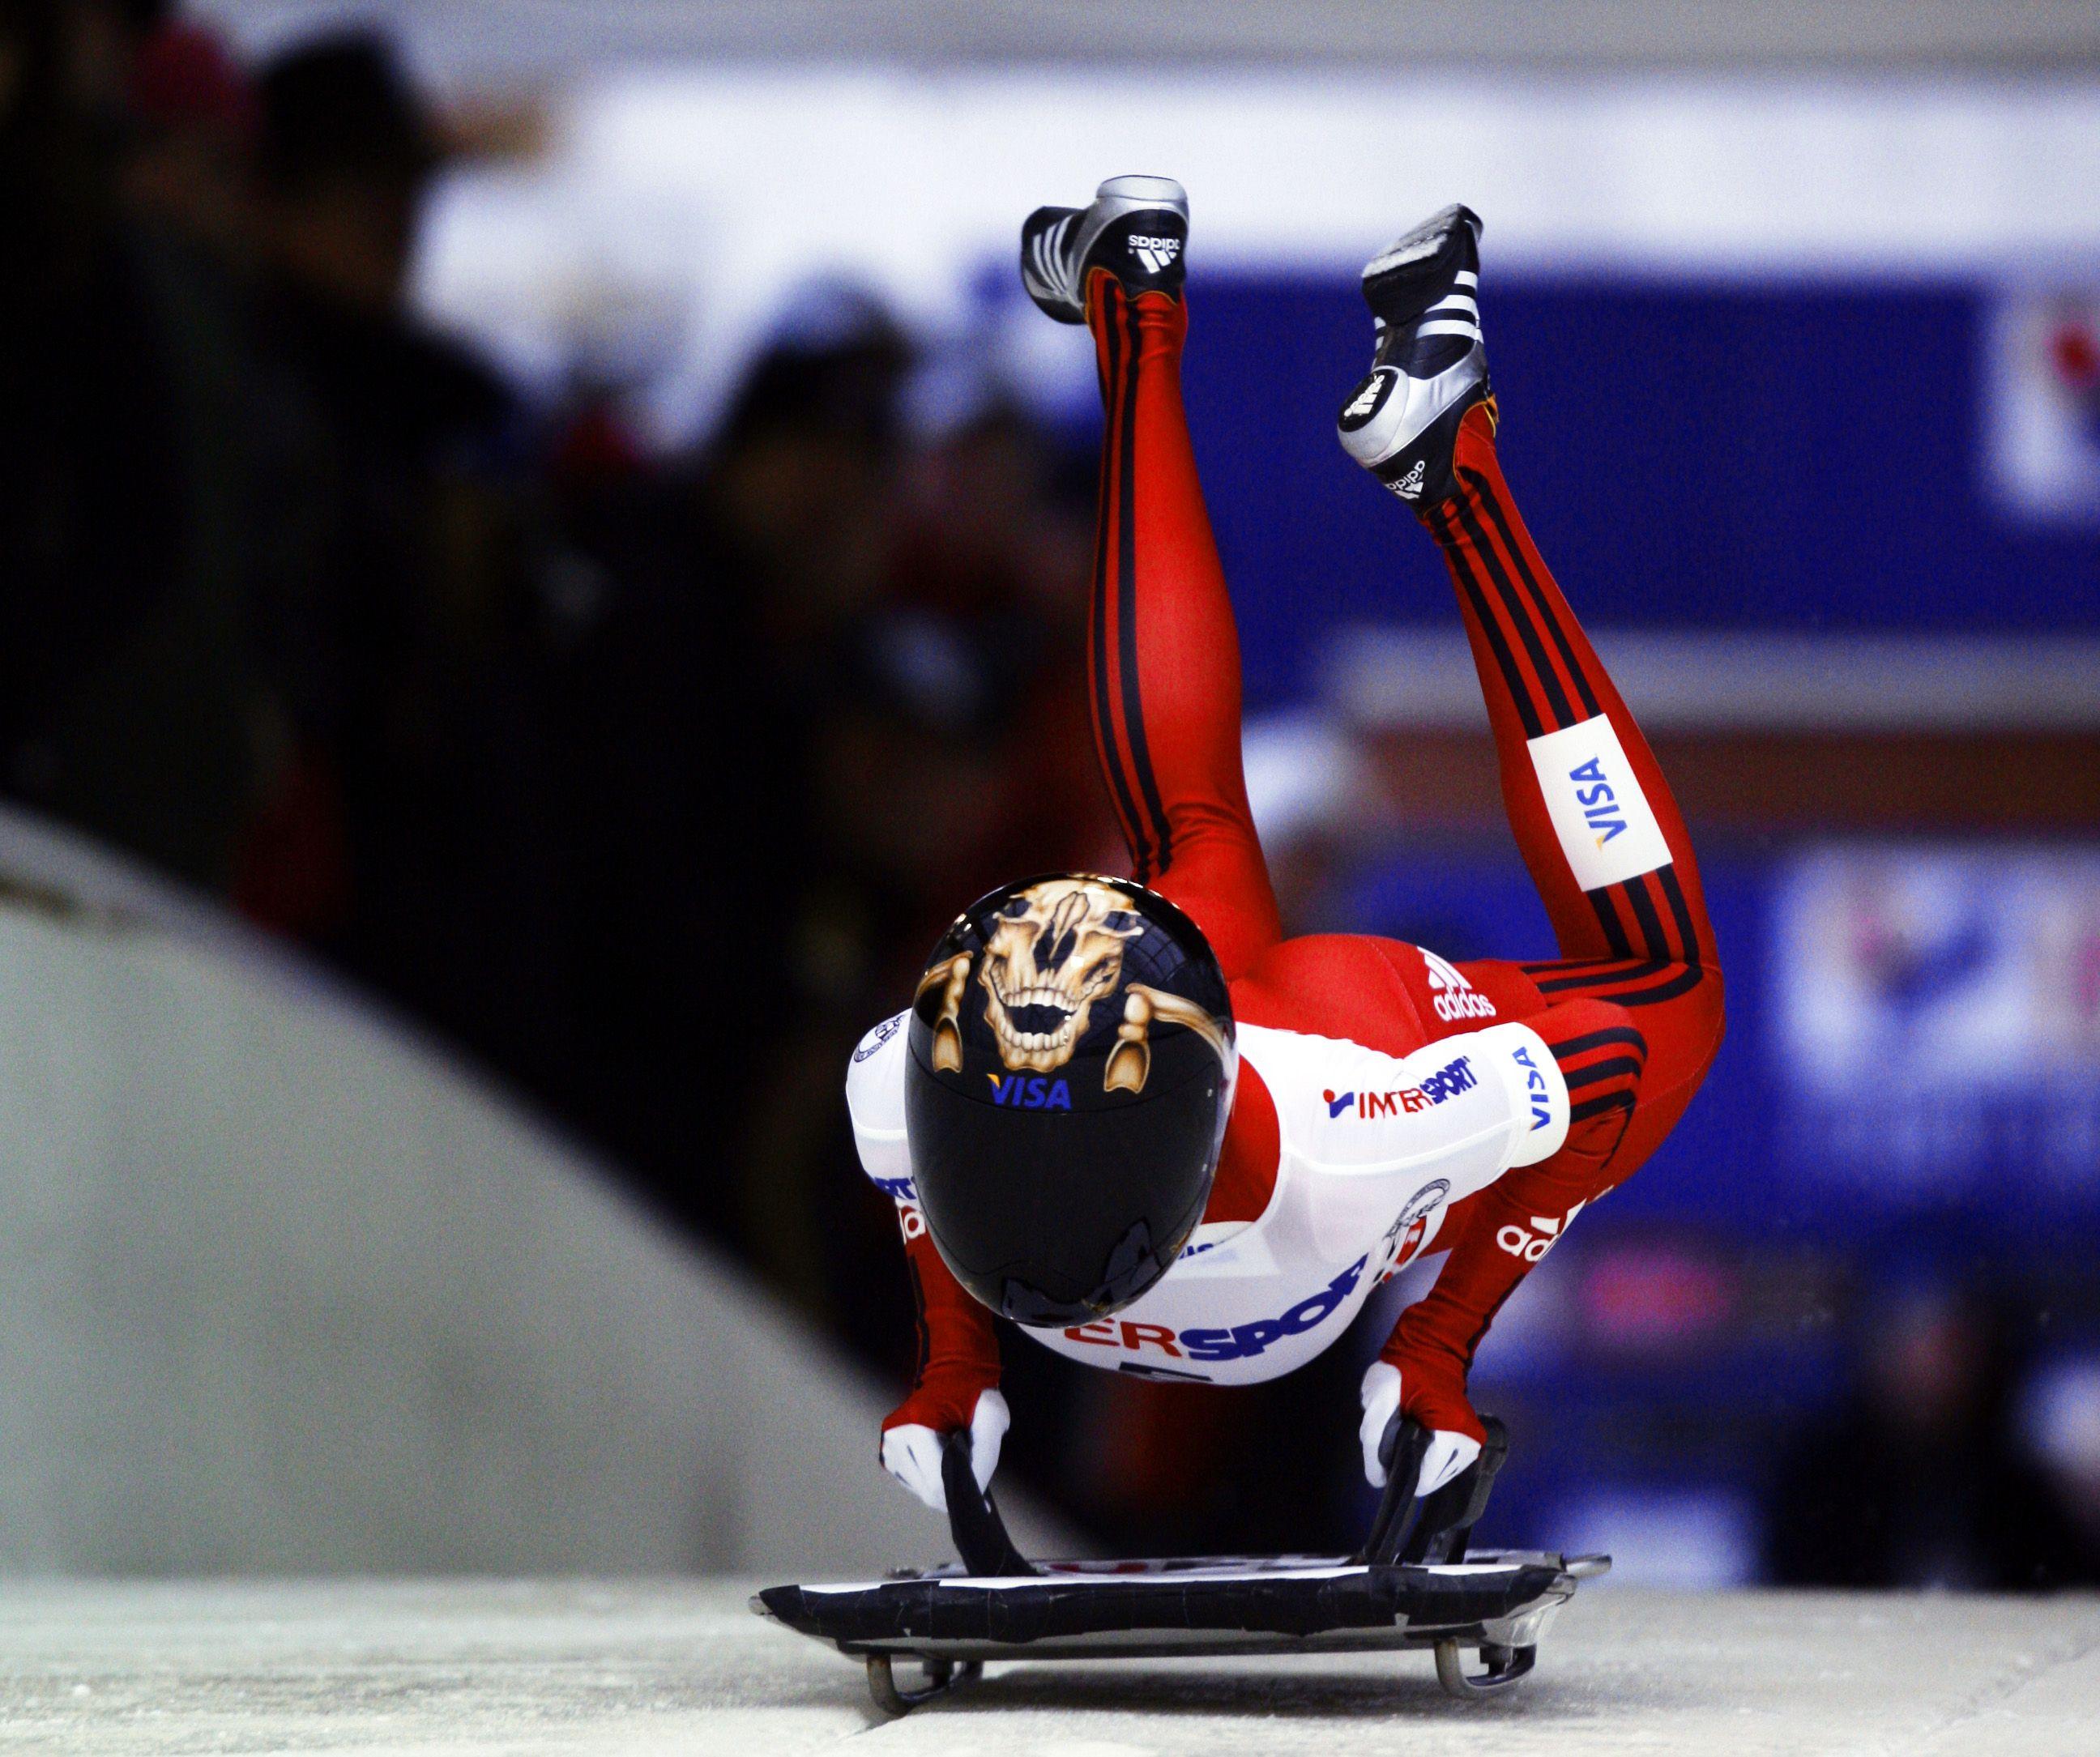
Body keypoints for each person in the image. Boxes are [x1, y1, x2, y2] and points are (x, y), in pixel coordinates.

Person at [847, 178, 1725, 1516]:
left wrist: (1438, 1348)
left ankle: (1391, 447)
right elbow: (1609, 1077)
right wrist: (953, 1364)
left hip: (1327, 1061)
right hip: (1271, 1170)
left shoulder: (1353, 1125)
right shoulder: (911, 1080)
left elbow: (1596, 1084)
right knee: (1663, 982)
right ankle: (1193, 335)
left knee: (1662, 984)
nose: (1013, 1205)